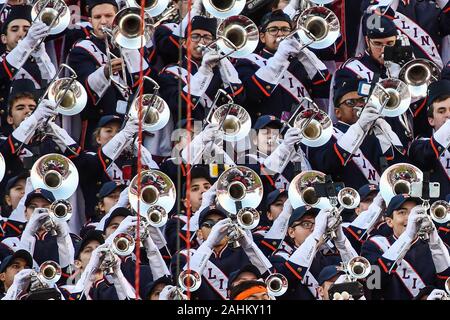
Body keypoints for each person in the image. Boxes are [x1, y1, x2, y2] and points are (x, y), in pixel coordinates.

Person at [67, 0, 156, 151]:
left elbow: (148, 86)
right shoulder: (81, 50)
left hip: (129, 124)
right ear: (90, 20)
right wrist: (105, 72)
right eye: (97, 17)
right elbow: (84, 91)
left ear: (117, 19)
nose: (103, 21)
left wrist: (128, 46)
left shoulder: (133, 46)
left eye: (108, 16)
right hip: (99, 127)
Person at [307, 77, 405, 190]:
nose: (359, 105)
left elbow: (398, 168)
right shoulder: (326, 133)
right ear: (338, 112)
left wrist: (385, 131)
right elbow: (325, 165)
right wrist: (359, 128)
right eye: (350, 102)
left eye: (363, 100)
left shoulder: (375, 132)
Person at [235, 10, 331, 121]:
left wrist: (306, 55)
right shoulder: (248, 61)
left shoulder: (301, 63)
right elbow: (250, 96)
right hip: (267, 129)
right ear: (262, 37)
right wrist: (280, 57)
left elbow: (325, 90)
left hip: (300, 129)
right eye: (273, 30)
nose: (280, 34)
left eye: (285, 30)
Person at [361, 194, 450, 299]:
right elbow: (373, 284)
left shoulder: (437, 248)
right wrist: (407, 236)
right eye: (402, 212)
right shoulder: (373, 246)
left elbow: (446, 286)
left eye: (415, 212)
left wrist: (435, 242)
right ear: (389, 221)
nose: (410, 218)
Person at [0, 5, 55, 131]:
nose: (21, 34)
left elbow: (52, 86)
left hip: (35, 128)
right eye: (14, 29)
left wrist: (42, 56)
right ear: (3, 38)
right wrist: (26, 43)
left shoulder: (38, 60)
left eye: (26, 29)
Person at [408, 80, 450, 199]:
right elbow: (427, 153)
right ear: (431, 120)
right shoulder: (420, 144)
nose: (448, 115)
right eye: (442, 111)